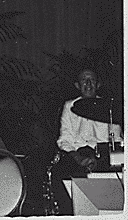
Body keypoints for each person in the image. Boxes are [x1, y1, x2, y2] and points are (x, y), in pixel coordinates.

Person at [50, 67, 123, 214]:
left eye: (92, 80)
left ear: (98, 85)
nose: (88, 84)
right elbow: (65, 140)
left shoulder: (110, 106)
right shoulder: (69, 106)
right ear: (77, 85)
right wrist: (78, 158)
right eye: (84, 80)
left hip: (104, 156)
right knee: (61, 176)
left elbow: (116, 139)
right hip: (77, 155)